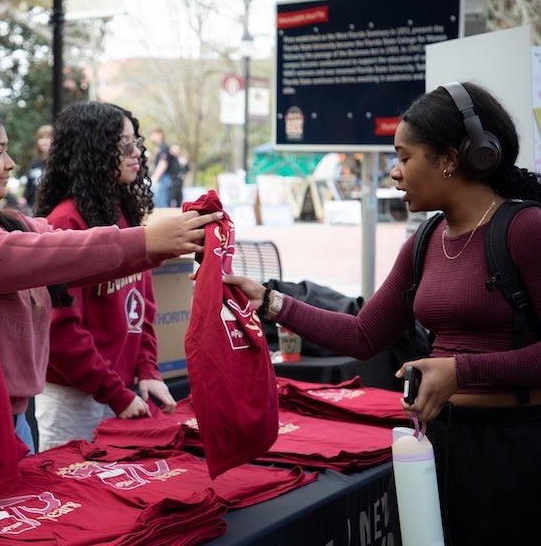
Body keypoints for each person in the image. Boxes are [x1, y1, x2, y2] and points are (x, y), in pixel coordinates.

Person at [225, 82, 541, 545]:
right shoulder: (424, 240)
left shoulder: (526, 229)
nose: (394, 173)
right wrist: (269, 301)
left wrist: (461, 371)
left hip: (512, 451)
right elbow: (363, 333)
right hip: (437, 446)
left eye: (404, 157)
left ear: (451, 159)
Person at [0, 102, 218, 460]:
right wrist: (147, 242)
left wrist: (144, 367)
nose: (10, 165)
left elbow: (113, 284)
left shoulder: (14, 222)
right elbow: (61, 256)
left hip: (14, 417)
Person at [32, 102, 179, 451]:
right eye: (121, 143)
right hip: (75, 399)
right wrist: (116, 393)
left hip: (119, 393)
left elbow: (141, 308)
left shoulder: (122, 213)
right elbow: (61, 330)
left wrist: (148, 371)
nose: (135, 151)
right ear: (93, 151)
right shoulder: (65, 222)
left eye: (135, 140)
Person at [22, 123, 53, 213]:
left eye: (48, 137)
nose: (44, 141)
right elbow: (28, 187)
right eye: (41, 138)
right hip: (33, 208)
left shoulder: (58, 164)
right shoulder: (33, 164)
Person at [148, 127, 177, 208]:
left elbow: (163, 163)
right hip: (162, 178)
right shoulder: (160, 147)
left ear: (159, 134)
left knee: (161, 205)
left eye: (153, 134)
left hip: (163, 179)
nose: (151, 137)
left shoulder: (163, 147)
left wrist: (154, 179)